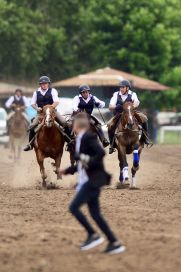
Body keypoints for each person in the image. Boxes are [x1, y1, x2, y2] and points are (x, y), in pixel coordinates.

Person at [60, 113, 126, 254]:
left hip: (93, 181)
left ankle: (93, 235)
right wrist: (67, 171)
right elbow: (82, 163)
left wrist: (84, 157)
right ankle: (114, 242)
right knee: (95, 214)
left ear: (76, 126)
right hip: (89, 180)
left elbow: (100, 153)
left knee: (73, 208)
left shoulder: (88, 137)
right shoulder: (79, 139)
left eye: (72, 125)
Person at [23, 76, 72, 151]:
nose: (44, 85)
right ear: (40, 84)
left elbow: (56, 101)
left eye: (45, 83)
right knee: (32, 126)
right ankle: (30, 144)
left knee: (64, 122)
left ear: (48, 84)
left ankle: (70, 142)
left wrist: (50, 108)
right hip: (41, 114)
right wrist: (37, 108)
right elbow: (32, 103)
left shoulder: (53, 91)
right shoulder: (36, 92)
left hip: (52, 112)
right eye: (42, 84)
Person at [108, 79, 151, 154]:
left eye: (123, 87)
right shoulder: (116, 94)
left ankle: (145, 138)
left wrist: (131, 107)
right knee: (109, 125)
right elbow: (110, 106)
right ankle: (112, 144)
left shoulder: (133, 94)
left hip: (130, 113)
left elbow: (137, 103)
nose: (121, 89)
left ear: (127, 88)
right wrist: (116, 107)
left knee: (144, 118)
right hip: (119, 114)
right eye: (120, 87)